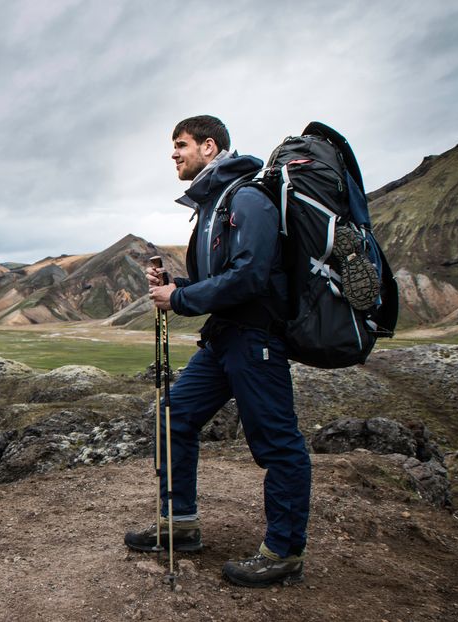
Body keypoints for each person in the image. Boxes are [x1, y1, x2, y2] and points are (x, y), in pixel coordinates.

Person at [124, 115, 312, 588]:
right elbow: (221, 281)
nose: (174, 154)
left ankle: (284, 552)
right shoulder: (213, 205)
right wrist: (178, 286)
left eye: (180, 144)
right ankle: (180, 524)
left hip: (256, 341)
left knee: (277, 444)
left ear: (210, 147)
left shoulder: (246, 198)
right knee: (174, 417)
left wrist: (181, 300)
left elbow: (251, 277)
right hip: (225, 339)